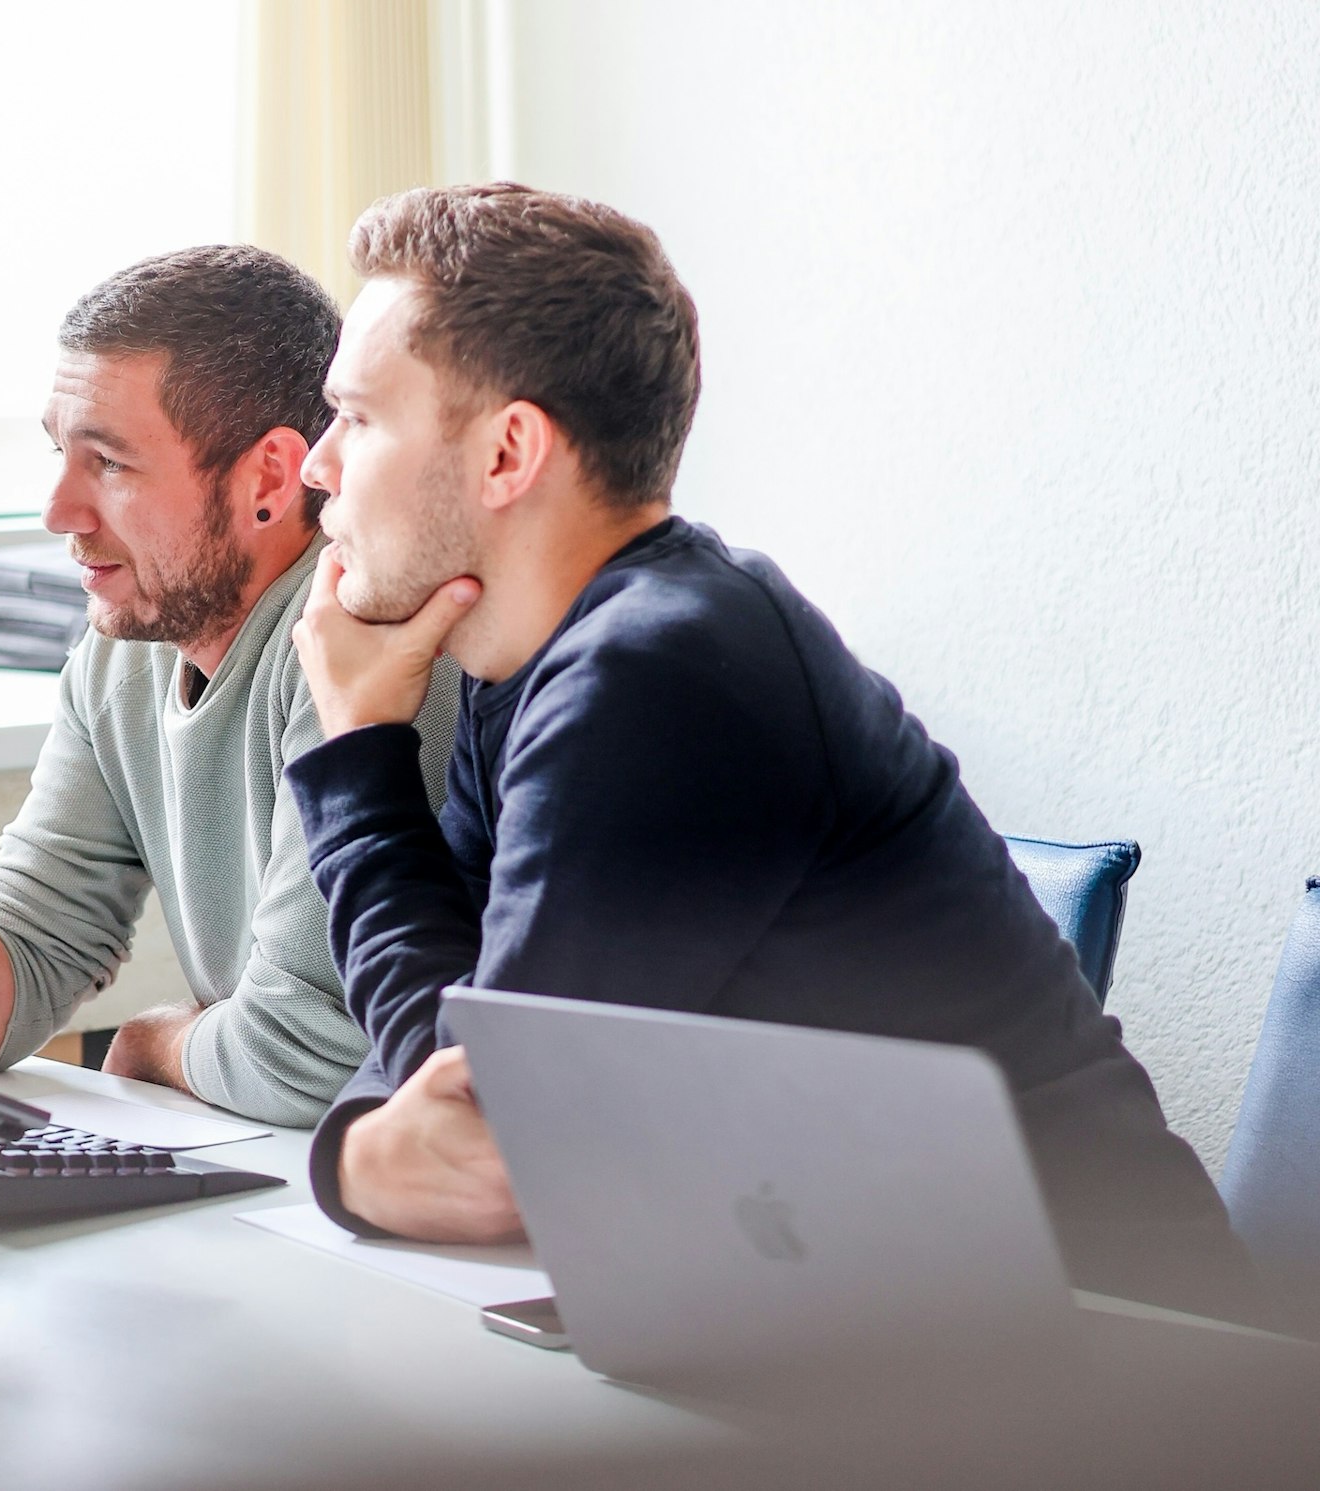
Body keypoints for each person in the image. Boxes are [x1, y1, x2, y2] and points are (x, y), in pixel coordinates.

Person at [282, 184, 1254, 1314]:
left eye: (356, 415)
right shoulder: (525, 668)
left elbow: (496, 1132)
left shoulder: (661, 673)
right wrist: (374, 1148)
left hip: (1132, 1368)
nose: (318, 464)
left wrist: (356, 753)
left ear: (507, 453)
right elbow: (459, 1066)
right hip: (866, 1331)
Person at [0, 245, 458, 1127]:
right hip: (276, 1170)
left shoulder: (362, 652)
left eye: (110, 464)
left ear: (271, 481)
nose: (58, 511)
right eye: (60, 453)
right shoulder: (124, 650)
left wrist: (152, 1043)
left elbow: (311, 1057)